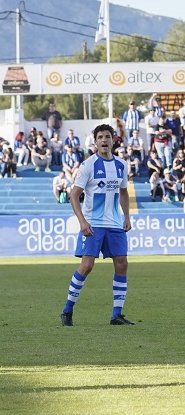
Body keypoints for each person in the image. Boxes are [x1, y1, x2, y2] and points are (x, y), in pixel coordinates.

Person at [60, 124, 133, 328]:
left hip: (115, 223)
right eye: (100, 137)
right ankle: (67, 310)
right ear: (95, 141)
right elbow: (74, 195)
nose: (104, 140)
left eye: (107, 137)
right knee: (87, 266)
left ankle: (116, 315)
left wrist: (126, 216)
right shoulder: (88, 165)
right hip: (93, 224)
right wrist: (82, 221)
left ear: (113, 140)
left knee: (122, 263)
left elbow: (124, 192)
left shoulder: (121, 165)